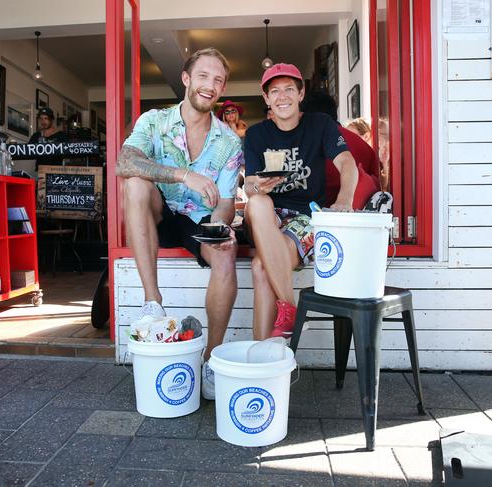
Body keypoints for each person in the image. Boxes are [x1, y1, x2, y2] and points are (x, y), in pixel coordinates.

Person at [117, 47, 243, 400]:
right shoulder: (153, 121)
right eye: (203, 76)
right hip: (156, 212)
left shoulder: (230, 142)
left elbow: (228, 203)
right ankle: (152, 302)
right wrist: (181, 175)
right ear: (187, 79)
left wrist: (220, 228)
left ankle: (212, 359)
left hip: (199, 220)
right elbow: (123, 161)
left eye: (218, 80)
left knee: (225, 254)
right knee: (136, 182)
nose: (210, 85)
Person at [243, 63, 358, 339]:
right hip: (266, 217)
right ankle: (292, 308)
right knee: (258, 203)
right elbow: (248, 185)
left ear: (301, 93)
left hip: (304, 217)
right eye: (275, 91)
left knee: (260, 265)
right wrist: (258, 185)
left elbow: (348, 163)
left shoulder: (320, 124)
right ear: (266, 98)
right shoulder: (257, 134)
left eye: (289, 89)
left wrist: (344, 200)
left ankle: (263, 354)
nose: (282, 97)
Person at [301, 92, 380, 209]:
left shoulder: (305, 141)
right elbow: (376, 184)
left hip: (315, 213)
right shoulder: (363, 145)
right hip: (359, 216)